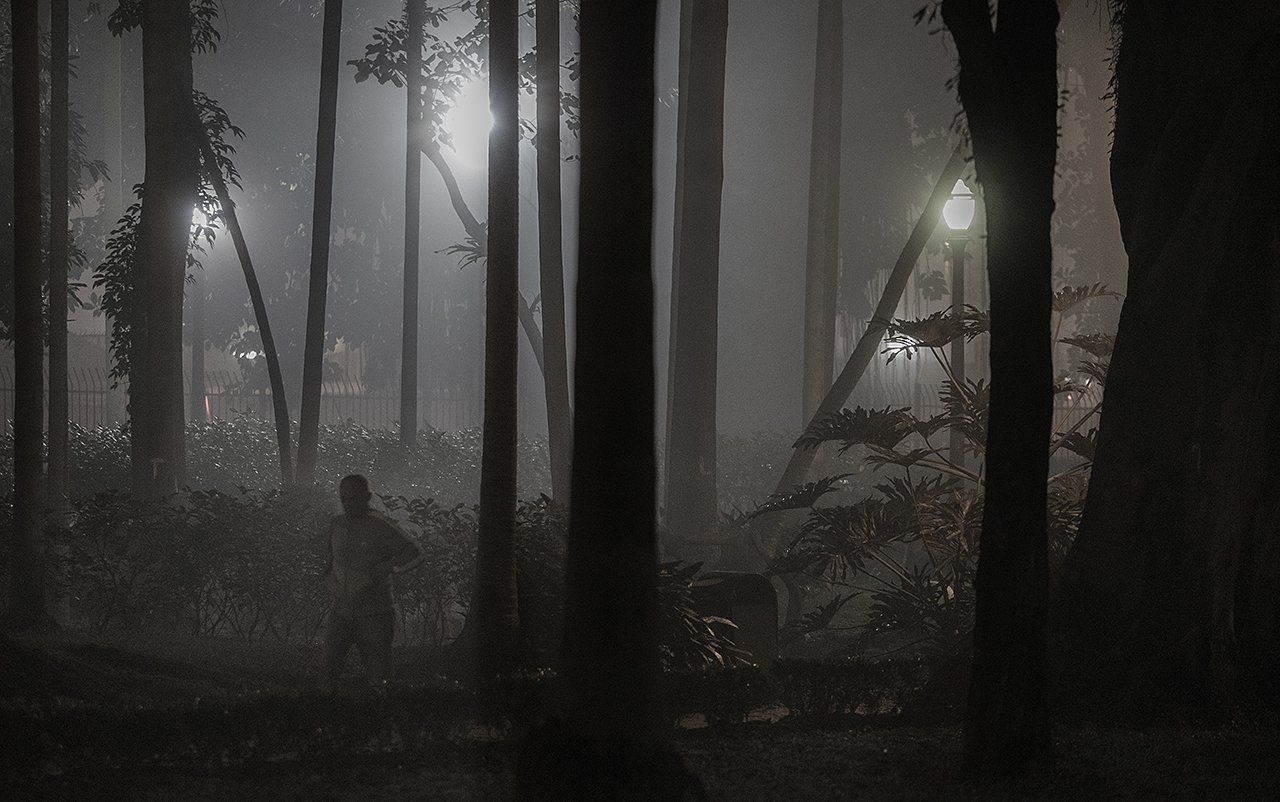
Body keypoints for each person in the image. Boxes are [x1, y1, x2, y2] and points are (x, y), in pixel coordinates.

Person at [317, 474, 423, 694]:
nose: (348, 503)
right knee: (328, 671)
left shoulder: (379, 525)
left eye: (354, 498)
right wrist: (328, 580)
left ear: (367, 497)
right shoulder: (337, 524)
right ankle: (326, 718)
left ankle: (381, 719)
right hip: (341, 610)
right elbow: (330, 559)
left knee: (379, 676)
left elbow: (413, 552)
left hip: (375, 612)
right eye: (344, 497)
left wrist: (386, 569)